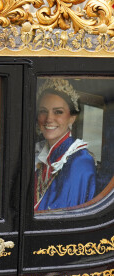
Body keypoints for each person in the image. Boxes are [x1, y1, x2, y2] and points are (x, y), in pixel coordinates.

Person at [34, 78, 96, 211]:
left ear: (72, 118)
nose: (49, 119)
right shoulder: (39, 152)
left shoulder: (80, 161)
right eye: (43, 111)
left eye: (58, 112)